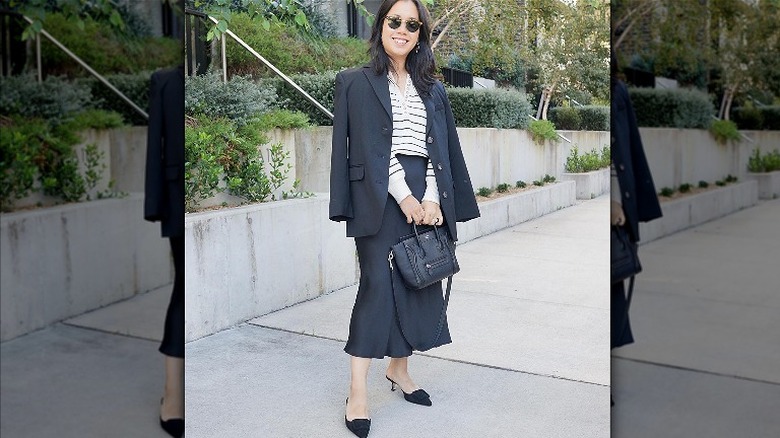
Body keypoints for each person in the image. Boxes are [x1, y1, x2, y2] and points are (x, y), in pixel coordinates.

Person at [328, 0, 479, 436]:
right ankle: (358, 391)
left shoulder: (433, 88)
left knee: (419, 281)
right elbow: (365, 150)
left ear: (420, 34)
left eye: (412, 24)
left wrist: (431, 197)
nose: (403, 30)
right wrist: (406, 196)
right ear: (381, 26)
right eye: (395, 21)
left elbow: (440, 147)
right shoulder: (354, 82)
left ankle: (399, 369)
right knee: (377, 286)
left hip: (425, 189)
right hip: (378, 195)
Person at [610, 53, 662, 404]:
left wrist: (631, 206)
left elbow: (630, 150)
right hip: (606, 209)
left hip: (617, 214)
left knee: (613, 296)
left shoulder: (618, 91)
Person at [144, 65, 185, 438]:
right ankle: (172, 395)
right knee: (181, 291)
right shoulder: (165, 80)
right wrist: (154, 204)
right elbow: (155, 142)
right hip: (176, 199)